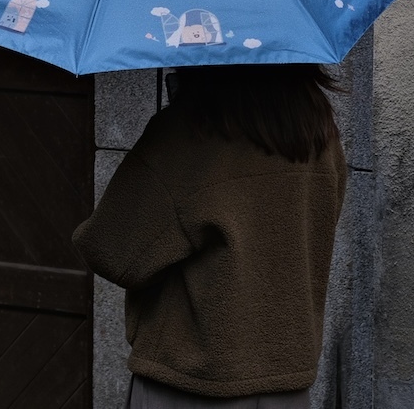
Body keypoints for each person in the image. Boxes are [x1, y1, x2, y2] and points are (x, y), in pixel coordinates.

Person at [72, 63, 348, 408]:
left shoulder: (187, 134)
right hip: (287, 386)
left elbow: (111, 250)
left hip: (190, 386)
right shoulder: (319, 135)